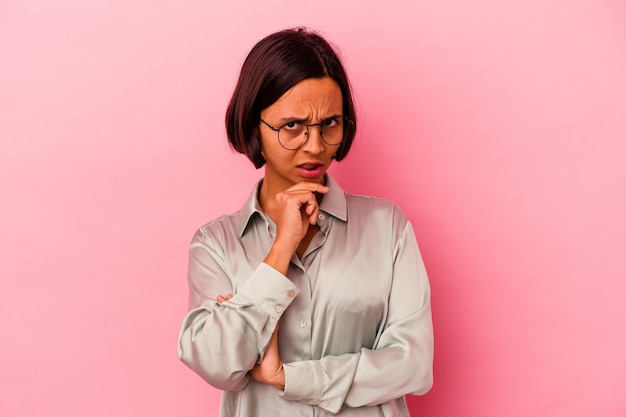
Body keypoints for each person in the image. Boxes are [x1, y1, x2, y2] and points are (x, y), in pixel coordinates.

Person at [178, 27, 434, 417]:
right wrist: (280, 250)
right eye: (292, 126)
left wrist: (290, 378)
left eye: (330, 123)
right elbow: (217, 363)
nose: (315, 146)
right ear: (253, 126)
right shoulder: (216, 244)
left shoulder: (388, 227)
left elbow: (413, 364)